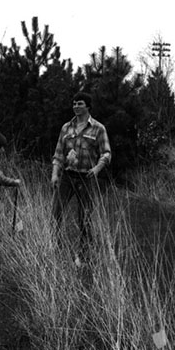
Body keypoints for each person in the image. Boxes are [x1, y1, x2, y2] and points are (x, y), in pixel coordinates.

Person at [51, 92, 111, 246]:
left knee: (84, 218)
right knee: (55, 213)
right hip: (67, 176)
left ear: (88, 106)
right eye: (74, 103)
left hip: (87, 178)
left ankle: (85, 255)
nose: (76, 106)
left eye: (80, 104)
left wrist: (97, 168)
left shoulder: (98, 128)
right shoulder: (66, 127)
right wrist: (54, 175)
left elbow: (106, 153)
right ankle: (53, 246)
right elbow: (58, 154)